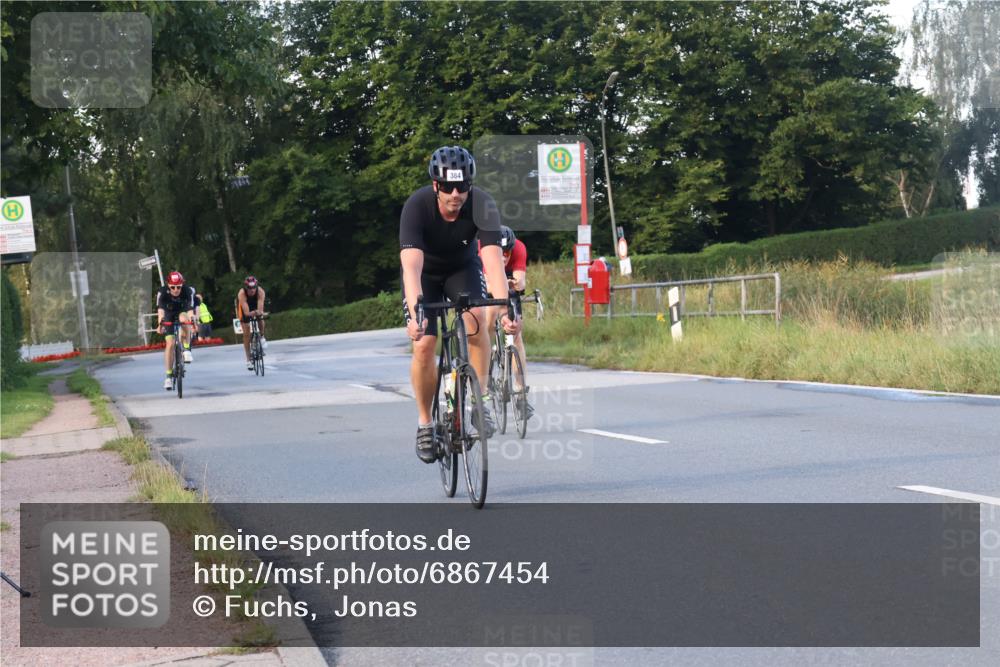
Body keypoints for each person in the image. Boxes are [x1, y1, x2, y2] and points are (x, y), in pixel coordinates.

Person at [401, 145, 521, 463]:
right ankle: (426, 422)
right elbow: (410, 266)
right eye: (450, 187)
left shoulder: (482, 204)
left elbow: (493, 264)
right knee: (425, 344)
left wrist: (504, 308)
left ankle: (478, 401)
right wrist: (415, 313)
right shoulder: (417, 207)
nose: (457, 194)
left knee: (478, 319)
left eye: (463, 186)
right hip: (425, 274)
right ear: (436, 186)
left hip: (461, 270)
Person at [480, 225, 533, 417]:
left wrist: (512, 283)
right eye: (500, 253)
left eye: (507, 253)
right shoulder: (484, 249)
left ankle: (520, 392)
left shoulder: (519, 248)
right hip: (488, 287)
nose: (503, 257)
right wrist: (502, 283)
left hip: (509, 291)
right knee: (488, 319)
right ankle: (489, 353)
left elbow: (521, 282)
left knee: (516, 334)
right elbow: (488, 282)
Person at [156, 271, 197, 390]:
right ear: (168, 285)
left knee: (185, 319)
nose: (175, 290)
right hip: (168, 314)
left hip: (182, 311)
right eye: (173, 287)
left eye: (178, 287)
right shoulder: (162, 292)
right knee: (170, 343)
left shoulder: (187, 291)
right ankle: (168, 376)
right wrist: (160, 324)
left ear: (182, 285)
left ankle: (187, 349)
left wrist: (192, 321)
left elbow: (190, 311)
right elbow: (161, 311)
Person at [236, 276, 267, 371]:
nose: (252, 290)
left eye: (254, 287)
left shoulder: (260, 291)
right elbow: (246, 312)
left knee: (260, 318)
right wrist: (250, 314)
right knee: (246, 333)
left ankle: (261, 337)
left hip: (255, 304)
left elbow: (260, 309)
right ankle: (248, 360)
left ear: (256, 286)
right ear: (246, 287)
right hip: (244, 307)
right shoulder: (242, 293)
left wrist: (259, 313)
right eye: (249, 288)